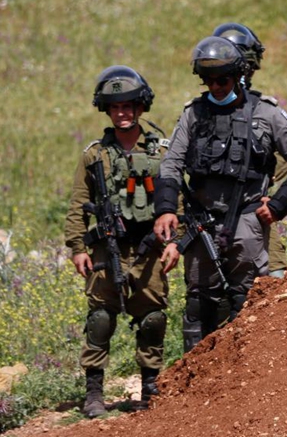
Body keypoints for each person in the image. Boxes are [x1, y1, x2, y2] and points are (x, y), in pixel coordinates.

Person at [153, 36, 287, 353]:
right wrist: (165, 210)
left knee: (247, 301)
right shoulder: (193, 114)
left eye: (223, 80)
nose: (215, 87)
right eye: (208, 80)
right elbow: (171, 164)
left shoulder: (267, 113)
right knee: (199, 303)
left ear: (238, 75)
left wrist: (280, 205)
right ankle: (194, 384)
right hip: (202, 225)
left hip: (248, 222)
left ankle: (243, 379)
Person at [64, 65, 169, 417]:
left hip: (149, 249)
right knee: (100, 319)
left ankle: (150, 388)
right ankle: (94, 392)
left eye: (128, 106)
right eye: (115, 107)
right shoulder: (95, 155)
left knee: (152, 318)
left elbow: (176, 202)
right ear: (107, 111)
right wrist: (77, 248)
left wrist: (174, 241)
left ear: (140, 107)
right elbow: (78, 203)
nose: (122, 113)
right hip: (105, 248)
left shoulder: (160, 152)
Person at [212, 22, 287, 278]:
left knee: (273, 284)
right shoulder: (201, 112)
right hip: (211, 220)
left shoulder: (264, 110)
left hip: (255, 218)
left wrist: (273, 199)